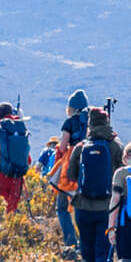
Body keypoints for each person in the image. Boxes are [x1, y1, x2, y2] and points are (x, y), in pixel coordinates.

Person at [72, 106, 123, 262]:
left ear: (90, 124)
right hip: (107, 208)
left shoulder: (81, 147)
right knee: (103, 249)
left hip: (83, 206)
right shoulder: (116, 147)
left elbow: (71, 174)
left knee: (86, 249)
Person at [54, 91, 90, 248]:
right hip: (89, 168)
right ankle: (85, 243)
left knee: (62, 207)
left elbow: (63, 146)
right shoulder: (91, 122)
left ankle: (71, 243)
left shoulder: (69, 123)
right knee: (83, 209)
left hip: (70, 169)